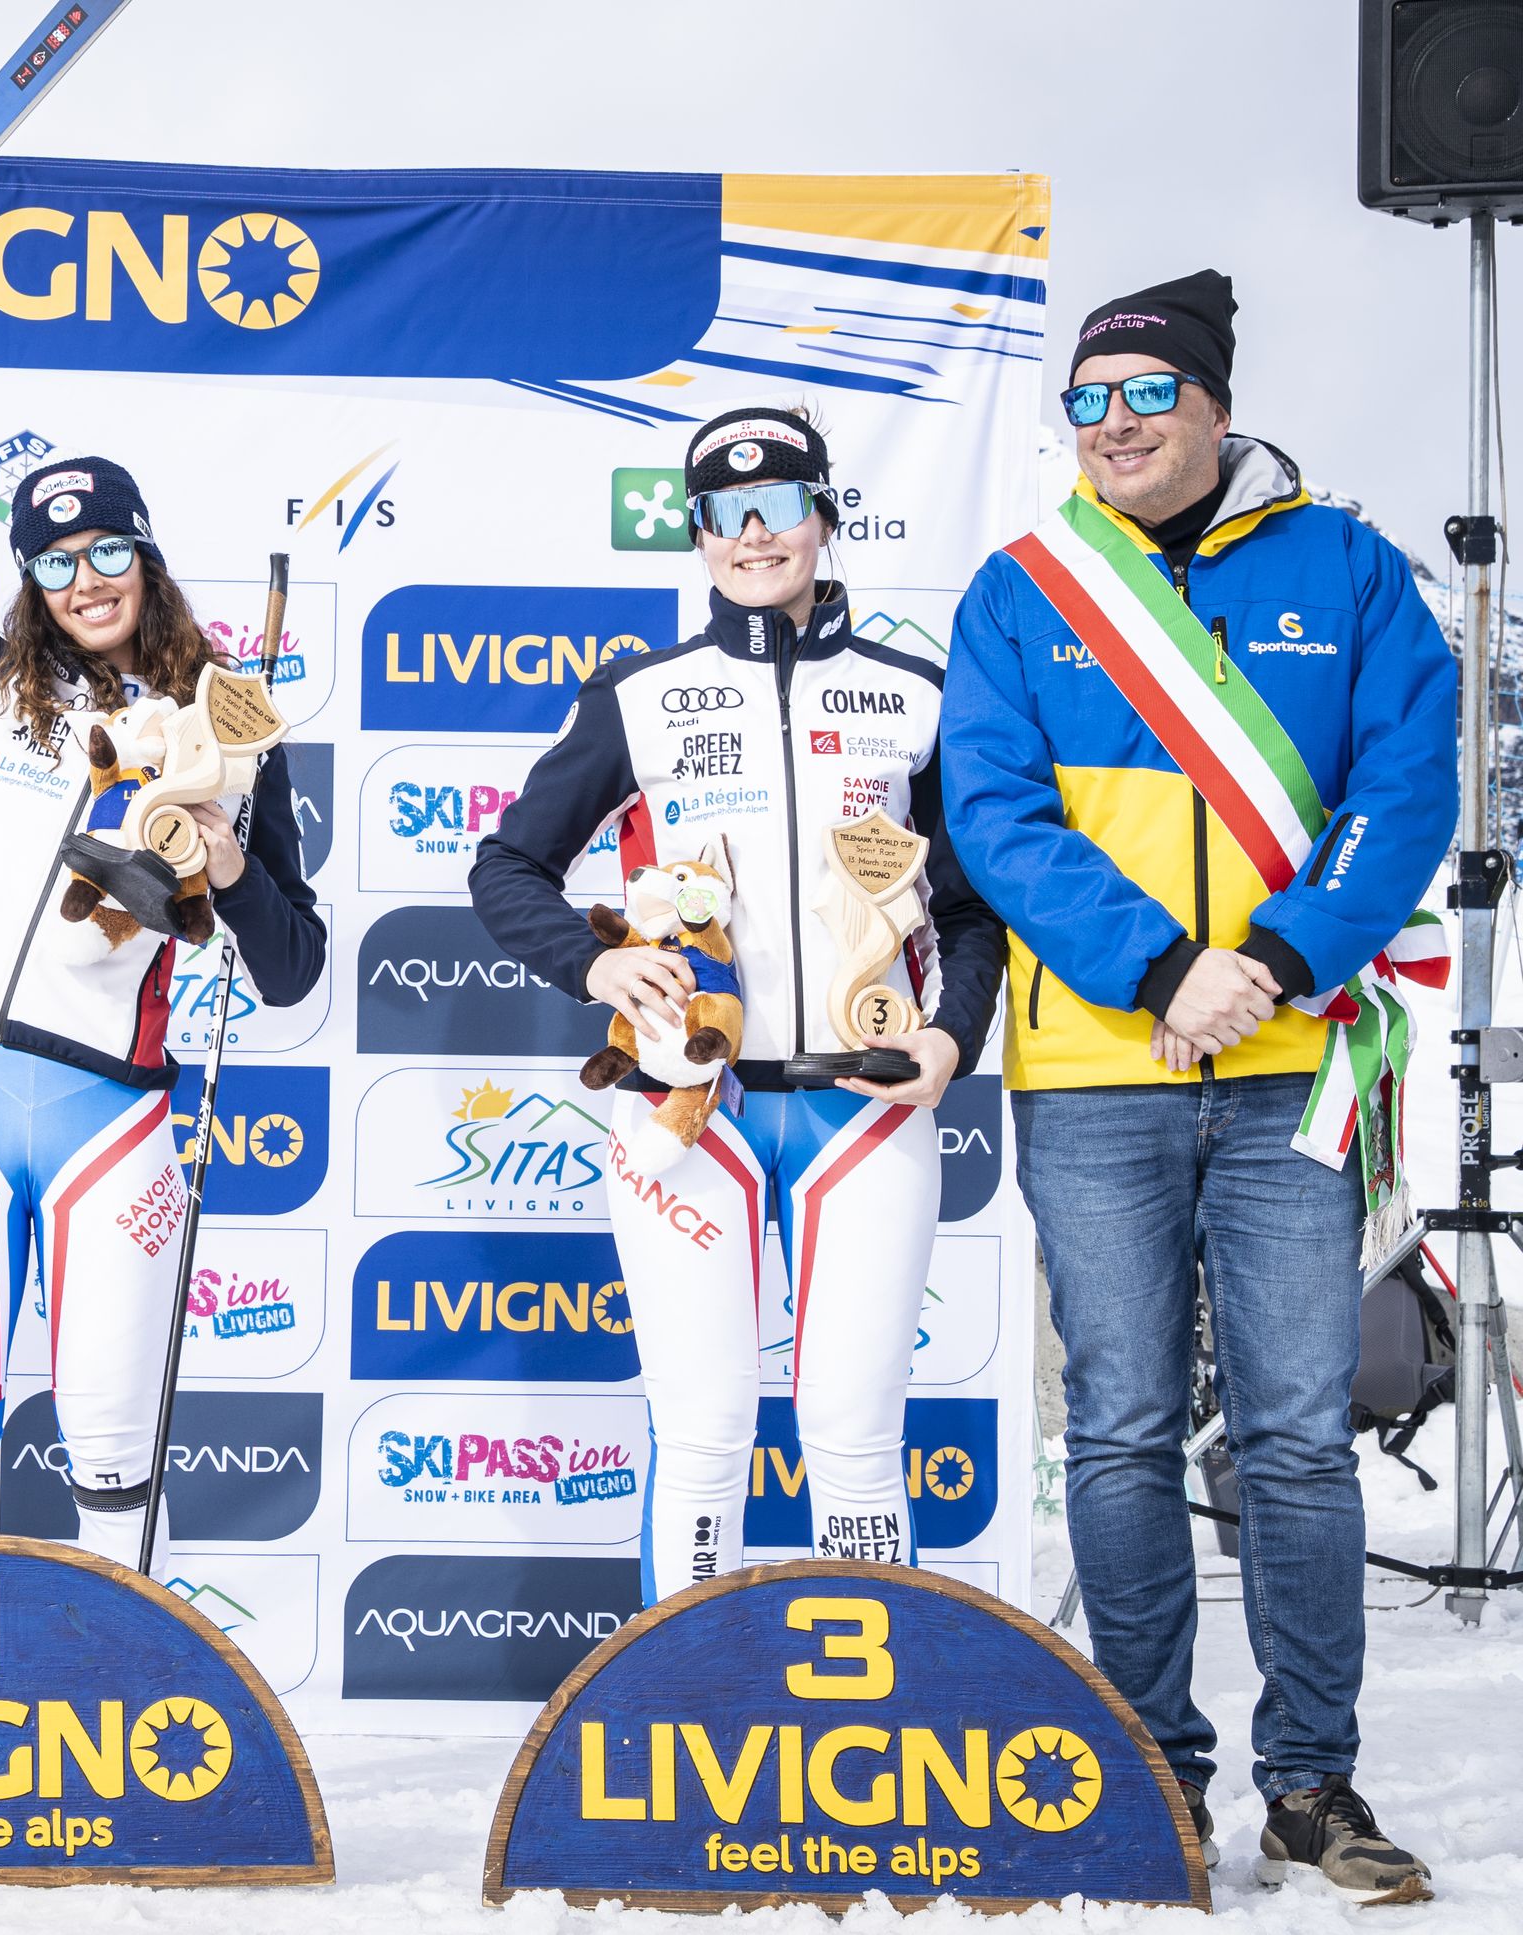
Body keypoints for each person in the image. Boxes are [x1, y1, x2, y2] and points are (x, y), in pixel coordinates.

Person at [940, 271, 1455, 1903]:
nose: (1115, 428)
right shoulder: (1021, 590)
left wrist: (1282, 960)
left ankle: (1315, 1786)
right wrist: (1166, 971)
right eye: (1087, 404)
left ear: (1217, 409)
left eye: (1146, 397)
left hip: (1293, 1064)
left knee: (1299, 1439)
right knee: (1121, 1432)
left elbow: (1407, 786)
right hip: (1099, 1066)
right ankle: (1150, 1773)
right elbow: (996, 813)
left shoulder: (1353, 570)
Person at [0, 210, 325, 1571]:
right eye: (53, 562)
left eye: (106, 551)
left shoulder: (225, 724)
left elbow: (294, 966)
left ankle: (104, 1754)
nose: (82, 581)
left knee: (114, 1468)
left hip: (113, 1123)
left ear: (146, 554)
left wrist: (224, 850)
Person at [471, 405, 1003, 1602]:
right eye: (721, 514)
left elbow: (971, 910)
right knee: (705, 1432)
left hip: (861, 1111)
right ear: (698, 536)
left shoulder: (915, 694)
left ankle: (871, 1737)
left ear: (825, 515)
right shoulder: (644, 694)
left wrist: (951, 1033)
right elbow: (505, 866)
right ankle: (678, 1720)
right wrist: (595, 964)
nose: (752, 535)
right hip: (684, 1109)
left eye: (777, 508)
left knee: (855, 1433)